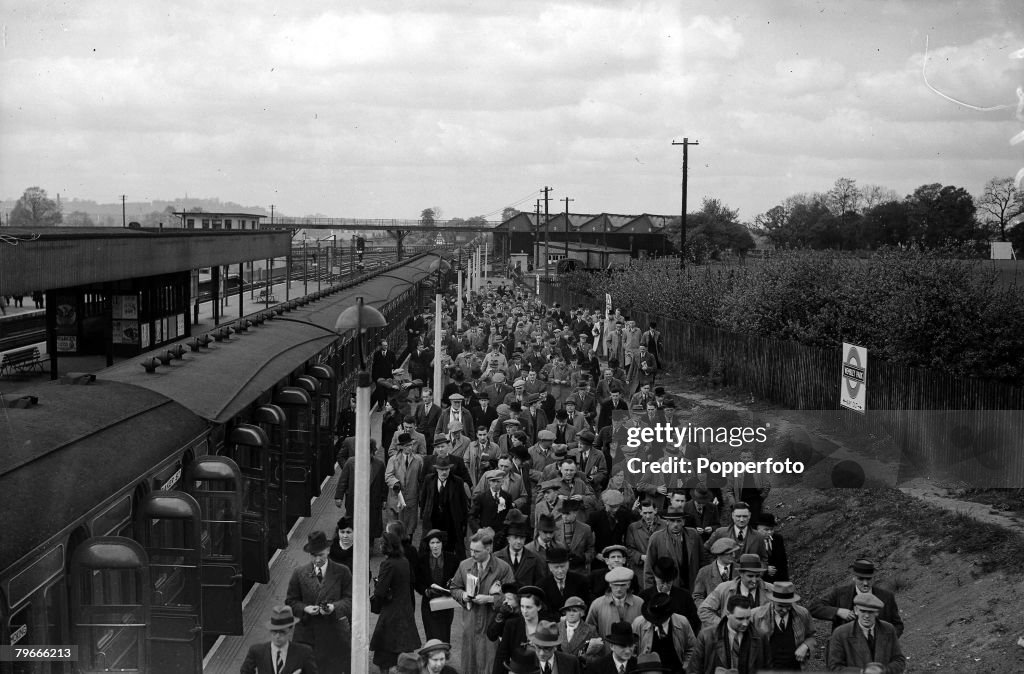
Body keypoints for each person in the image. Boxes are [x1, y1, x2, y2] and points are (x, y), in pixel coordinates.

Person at [450, 528, 516, 674]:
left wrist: (490, 599)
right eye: (471, 550)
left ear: (489, 549)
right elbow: (454, 588)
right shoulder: (464, 565)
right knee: (470, 665)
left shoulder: (503, 568)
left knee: (490, 665)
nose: (472, 554)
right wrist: (463, 595)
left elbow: (512, 598)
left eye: (477, 551)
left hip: (492, 626)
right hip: (470, 624)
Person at [285, 531, 353, 674]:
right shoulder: (299, 573)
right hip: (306, 636)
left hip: (333, 636)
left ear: (328, 550)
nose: (317, 559)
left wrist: (334, 607)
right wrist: (305, 609)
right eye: (313, 555)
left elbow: (350, 600)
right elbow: (290, 601)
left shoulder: (342, 572)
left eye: (320, 555)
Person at [809, 558, 904, 639]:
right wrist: (838, 611)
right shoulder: (840, 593)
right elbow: (814, 608)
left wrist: (886, 641)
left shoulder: (887, 597)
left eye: (869, 579)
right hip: (846, 653)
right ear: (854, 578)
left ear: (874, 578)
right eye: (861, 579)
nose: (865, 583)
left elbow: (898, 625)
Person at [370, 532, 421, 671]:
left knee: (385, 653)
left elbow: (380, 592)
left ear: (387, 547)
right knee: (403, 650)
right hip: (405, 610)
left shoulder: (387, 564)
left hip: (391, 613)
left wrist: (378, 585)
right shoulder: (404, 561)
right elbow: (411, 580)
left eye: (382, 544)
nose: (380, 546)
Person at [688, 595, 771, 674]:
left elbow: (767, 669)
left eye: (748, 618)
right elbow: (694, 669)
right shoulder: (707, 636)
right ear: (728, 614)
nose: (745, 623)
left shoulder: (761, 636)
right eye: (740, 619)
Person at [827, 593, 906, 674]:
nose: (867, 616)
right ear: (856, 610)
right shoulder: (840, 633)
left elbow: (899, 660)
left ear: (877, 612)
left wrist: (884, 670)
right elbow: (835, 667)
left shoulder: (888, 629)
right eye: (863, 611)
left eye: (871, 612)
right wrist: (862, 672)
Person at [749, 581, 814, 671]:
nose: (785, 610)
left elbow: (811, 637)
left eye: (788, 606)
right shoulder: (756, 615)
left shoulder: (802, 614)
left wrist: (805, 645)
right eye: (780, 606)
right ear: (772, 601)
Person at [643, 505, 707, 592]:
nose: (675, 525)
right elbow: (649, 569)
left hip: (692, 587)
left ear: (684, 522)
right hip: (668, 589)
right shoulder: (656, 538)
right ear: (667, 522)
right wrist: (650, 594)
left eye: (679, 521)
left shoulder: (693, 535)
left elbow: (703, 562)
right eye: (672, 521)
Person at [698, 554, 772, 629]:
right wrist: (723, 626)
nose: (754, 580)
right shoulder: (724, 588)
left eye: (757, 576)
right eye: (750, 576)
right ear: (741, 573)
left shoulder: (771, 590)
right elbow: (704, 610)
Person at [240, 605, 317, 674]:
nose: (277, 636)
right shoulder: (257, 651)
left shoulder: (304, 652)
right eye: (274, 632)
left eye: (282, 632)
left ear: (290, 630)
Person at [631, 592, 697, 673]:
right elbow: (631, 650)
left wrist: (686, 665)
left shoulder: (682, 622)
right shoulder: (638, 623)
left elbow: (692, 648)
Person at [335, 443, 386, 546]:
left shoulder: (380, 465)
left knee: (371, 523)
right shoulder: (351, 462)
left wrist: (384, 499)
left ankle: (369, 545)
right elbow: (343, 480)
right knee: (353, 521)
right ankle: (354, 544)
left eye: (370, 453)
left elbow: (383, 484)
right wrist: (338, 497)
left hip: (373, 500)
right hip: (354, 500)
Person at [419, 453, 471, 555]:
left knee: (450, 547)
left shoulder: (457, 482)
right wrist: (423, 515)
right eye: (441, 469)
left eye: (446, 469)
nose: (444, 472)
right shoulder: (429, 479)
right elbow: (424, 499)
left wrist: (463, 522)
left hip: (451, 520)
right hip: (433, 519)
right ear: (436, 469)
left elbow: (462, 503)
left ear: (450, 469)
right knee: (431, 544)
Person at [415, 529, 461, 643]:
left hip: (446, 601)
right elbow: (417, 580)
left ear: (442, 543)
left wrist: (451, 585)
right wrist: (425, 591)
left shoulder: (452, 559)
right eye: (432, 543)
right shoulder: (422, 560)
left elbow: (458, 578)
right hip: (429, 601)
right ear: (428, 545)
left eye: (437, 542)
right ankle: (432, 654)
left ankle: (443, 655)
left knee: (445, 630)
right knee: (430, 630)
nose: (435, 546)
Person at [639, 557, 701, 636]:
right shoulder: (644, 596)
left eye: (668, 582)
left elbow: (694, 622)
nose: (665, 586)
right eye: (662, 581)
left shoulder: (684, 596)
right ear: (655, 577)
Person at [493, 586, 548, 674]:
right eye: (522, 606)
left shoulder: (547, 626)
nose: (524, 611)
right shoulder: (512, 625)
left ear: (539, 607)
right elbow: (502, 655)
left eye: (529, 607)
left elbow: (554, 656)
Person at [385, 433, 425, 540]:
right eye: (407, 445)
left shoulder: (418, 460)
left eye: (411, 445)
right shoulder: (393, 460)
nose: (410, 448)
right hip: (396, 499)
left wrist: (421, 496)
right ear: (401, 447)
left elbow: (421, 479)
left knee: (409, 529)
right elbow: (388, 475)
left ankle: (408, 551)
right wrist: (395, 483)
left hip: (411, 499)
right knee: (394, 530)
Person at [585, 566, 644, 637]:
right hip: (606, 647)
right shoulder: (597, 604)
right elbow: (589, 629)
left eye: (623, 585)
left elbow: (645, 629)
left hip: (632, 647)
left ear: (628, 585)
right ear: (610, 584)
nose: (619, 589)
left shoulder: (639, 603)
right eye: (615, 585)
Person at [692, 539, 739, 607]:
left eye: (734, 552)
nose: (734, 555)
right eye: (730, 553)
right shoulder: (704, 572)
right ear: (719, 555)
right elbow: (697, 596)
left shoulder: (740, 570)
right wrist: (706, 610)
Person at [557, 596, 600, 661]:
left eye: (574, 611)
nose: (571, 614)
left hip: (581, 668)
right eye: (568, 610)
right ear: (565, 612)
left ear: (581, 613)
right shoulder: (557, 627)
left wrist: (583, 658)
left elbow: (597, 656)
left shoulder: (591, 630)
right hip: (561, 667)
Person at [754, 513, 788, 583]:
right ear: (757, 529)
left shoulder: (778, 539)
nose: (769, 532)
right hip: (759, 581)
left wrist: (785, 583)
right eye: (766, 530)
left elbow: (783, 563)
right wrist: (765, 569)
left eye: (771, 529)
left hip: (778, 581)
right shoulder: (752, 541)